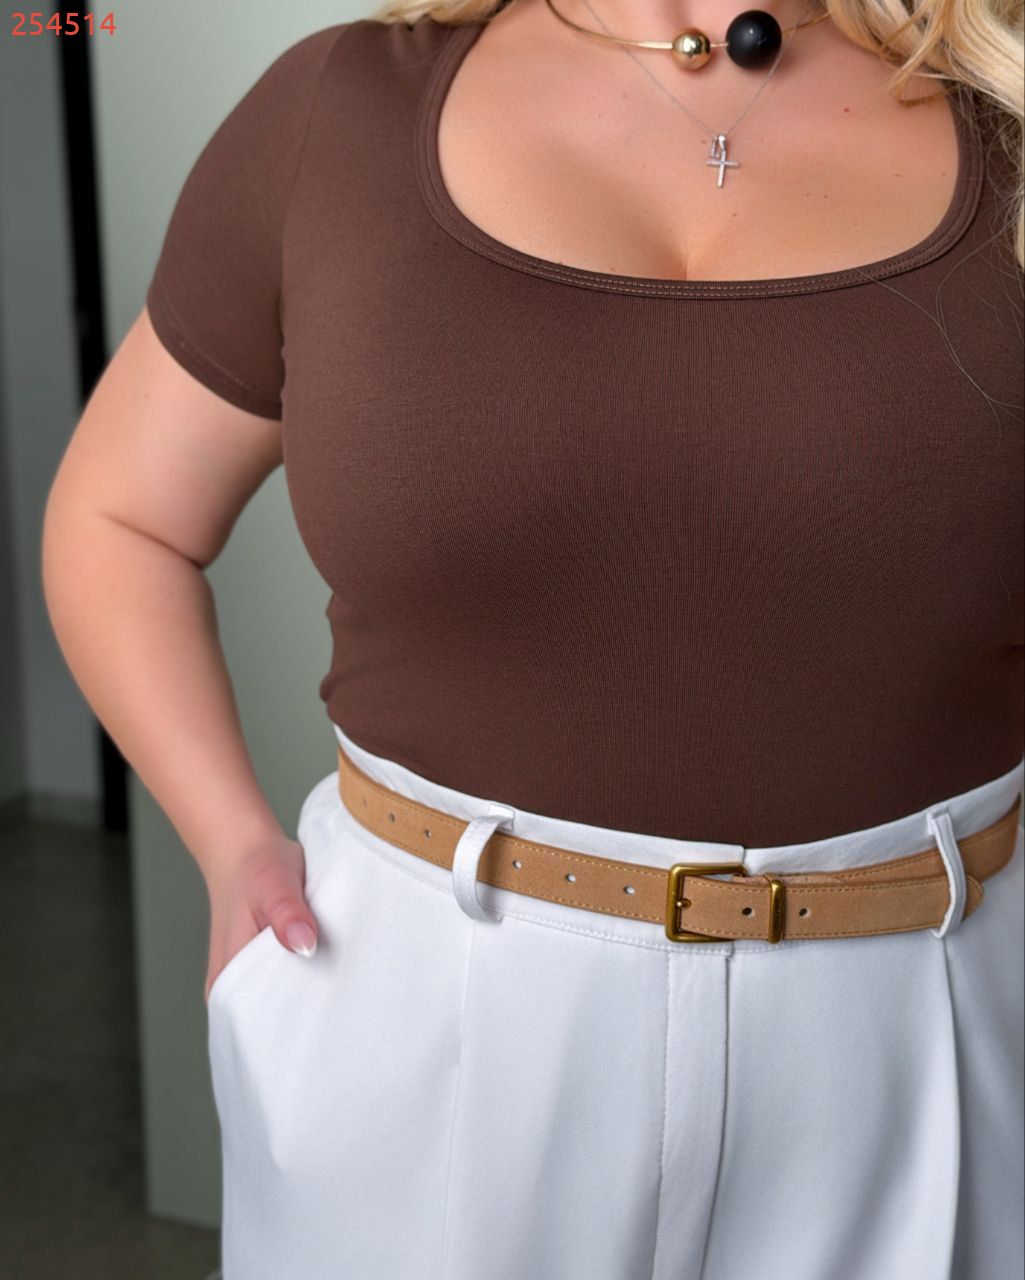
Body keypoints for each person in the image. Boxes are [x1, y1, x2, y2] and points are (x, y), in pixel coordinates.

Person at [42, 0, 1024, 1276]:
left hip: (924, 1011)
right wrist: (231, 843)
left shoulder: (1003, 117)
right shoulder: (339, 113)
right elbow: (121, 518)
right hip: (423, 1006)